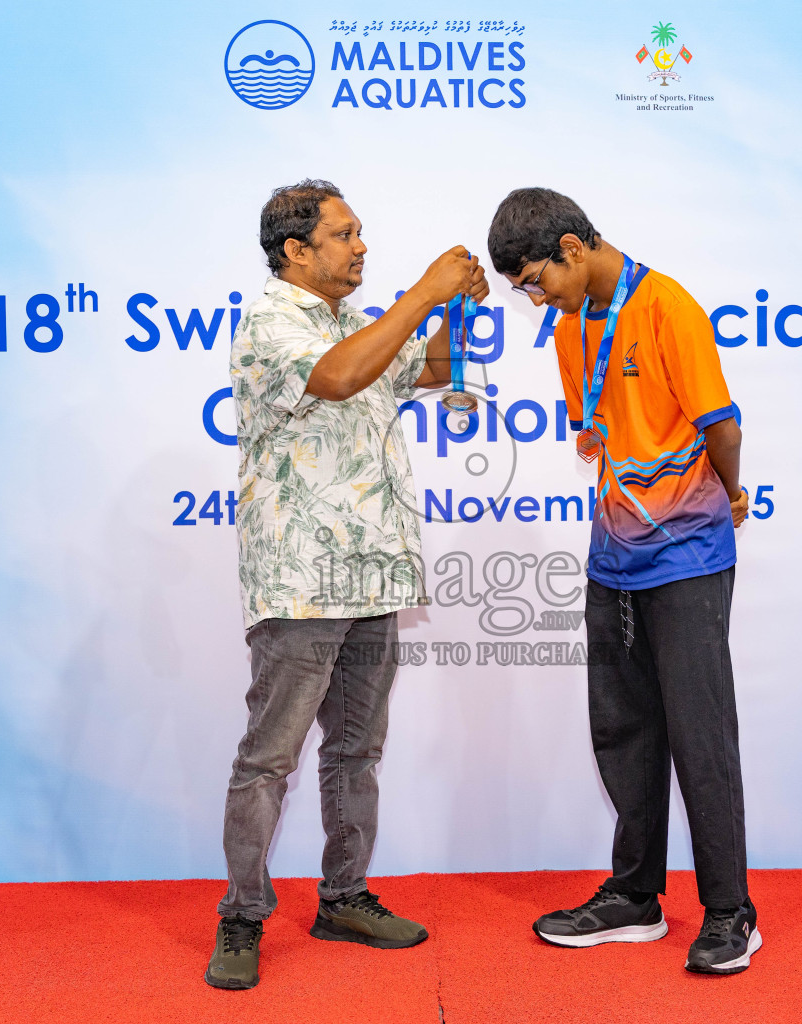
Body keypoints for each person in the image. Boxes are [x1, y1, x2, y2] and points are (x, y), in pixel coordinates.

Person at [207, 179, 487, 991]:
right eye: (344, 234)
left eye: (362, 232)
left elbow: (423, 372)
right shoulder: (268, 322)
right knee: (270, 759)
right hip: (300, 584)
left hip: (372, 573)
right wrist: (421, 293)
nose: (360, 246)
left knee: (357, 750)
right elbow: (333, 379)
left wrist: (453, 308)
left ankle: (344, 897)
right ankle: (242, 914)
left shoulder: (357, 324)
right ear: (296, 250)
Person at [487, 187, 760, 975]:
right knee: (623, 726)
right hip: (613, 552)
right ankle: (635, 897)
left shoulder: (669, 306)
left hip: (687, 555)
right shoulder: (571, 328)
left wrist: (729, 492)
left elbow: (722, 426)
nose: (534, 299)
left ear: (574, 248)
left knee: (700, 731)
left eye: (536, 281)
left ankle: (731, 912)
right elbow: (599, 433)